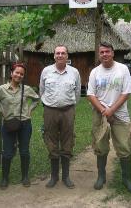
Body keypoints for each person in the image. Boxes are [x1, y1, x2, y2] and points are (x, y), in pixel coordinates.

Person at [87, 41, 131, 193]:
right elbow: (90, 94)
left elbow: (126, 92)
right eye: (101, 52)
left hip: (119, 114)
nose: (104, 54)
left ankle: (126, 179)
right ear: (99, 55)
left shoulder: (123, 69)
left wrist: (112, 110)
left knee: (124, 147)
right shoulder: (95, 72)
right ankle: (101, 177)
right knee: (100, 147)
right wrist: (104, 111)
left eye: (107, 51)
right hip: (99, 114)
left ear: (113, 53)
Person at [39, 45, 81, 189]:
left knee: (67, 142)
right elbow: (41, 90)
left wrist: (70, 107)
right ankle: (54, 177)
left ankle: (66, 177)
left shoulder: (74, 72)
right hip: (50, 111)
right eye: (58, 53)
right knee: (51, 141)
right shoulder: (46, 71)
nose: (60, 55)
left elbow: (77, 92)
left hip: (68, 111)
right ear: (54, 55)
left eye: (63, 53)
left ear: (67, 56)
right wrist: (48, 105)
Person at [0, 63, 39, 189]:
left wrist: (29, 110)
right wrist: (1, 111)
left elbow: (36, 99)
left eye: (21, 74)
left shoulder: (27, 89)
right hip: (8, 123)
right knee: (7, 153)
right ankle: (4, 178)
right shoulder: (1, 89)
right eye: (17, 72)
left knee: (24, 151)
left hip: (24, 123)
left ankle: (25, 177)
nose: (19, 75)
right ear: (11, 73)